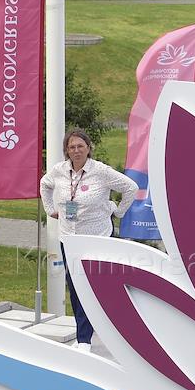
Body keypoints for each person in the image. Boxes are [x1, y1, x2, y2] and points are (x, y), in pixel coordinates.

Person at [40, 129, 138, 349]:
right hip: (69, 238)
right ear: (67, 150)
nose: (76, 151)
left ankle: (92, 335)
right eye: (72, 147)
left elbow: (131, 188)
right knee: (76, 287)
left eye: (80, 146)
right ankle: (83, 336)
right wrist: (50, 209)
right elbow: (45, 184)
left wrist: (118, 211)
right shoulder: (59, 171)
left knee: (95, 287)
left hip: (96, 238)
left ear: (88, 148)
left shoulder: (100, 171)